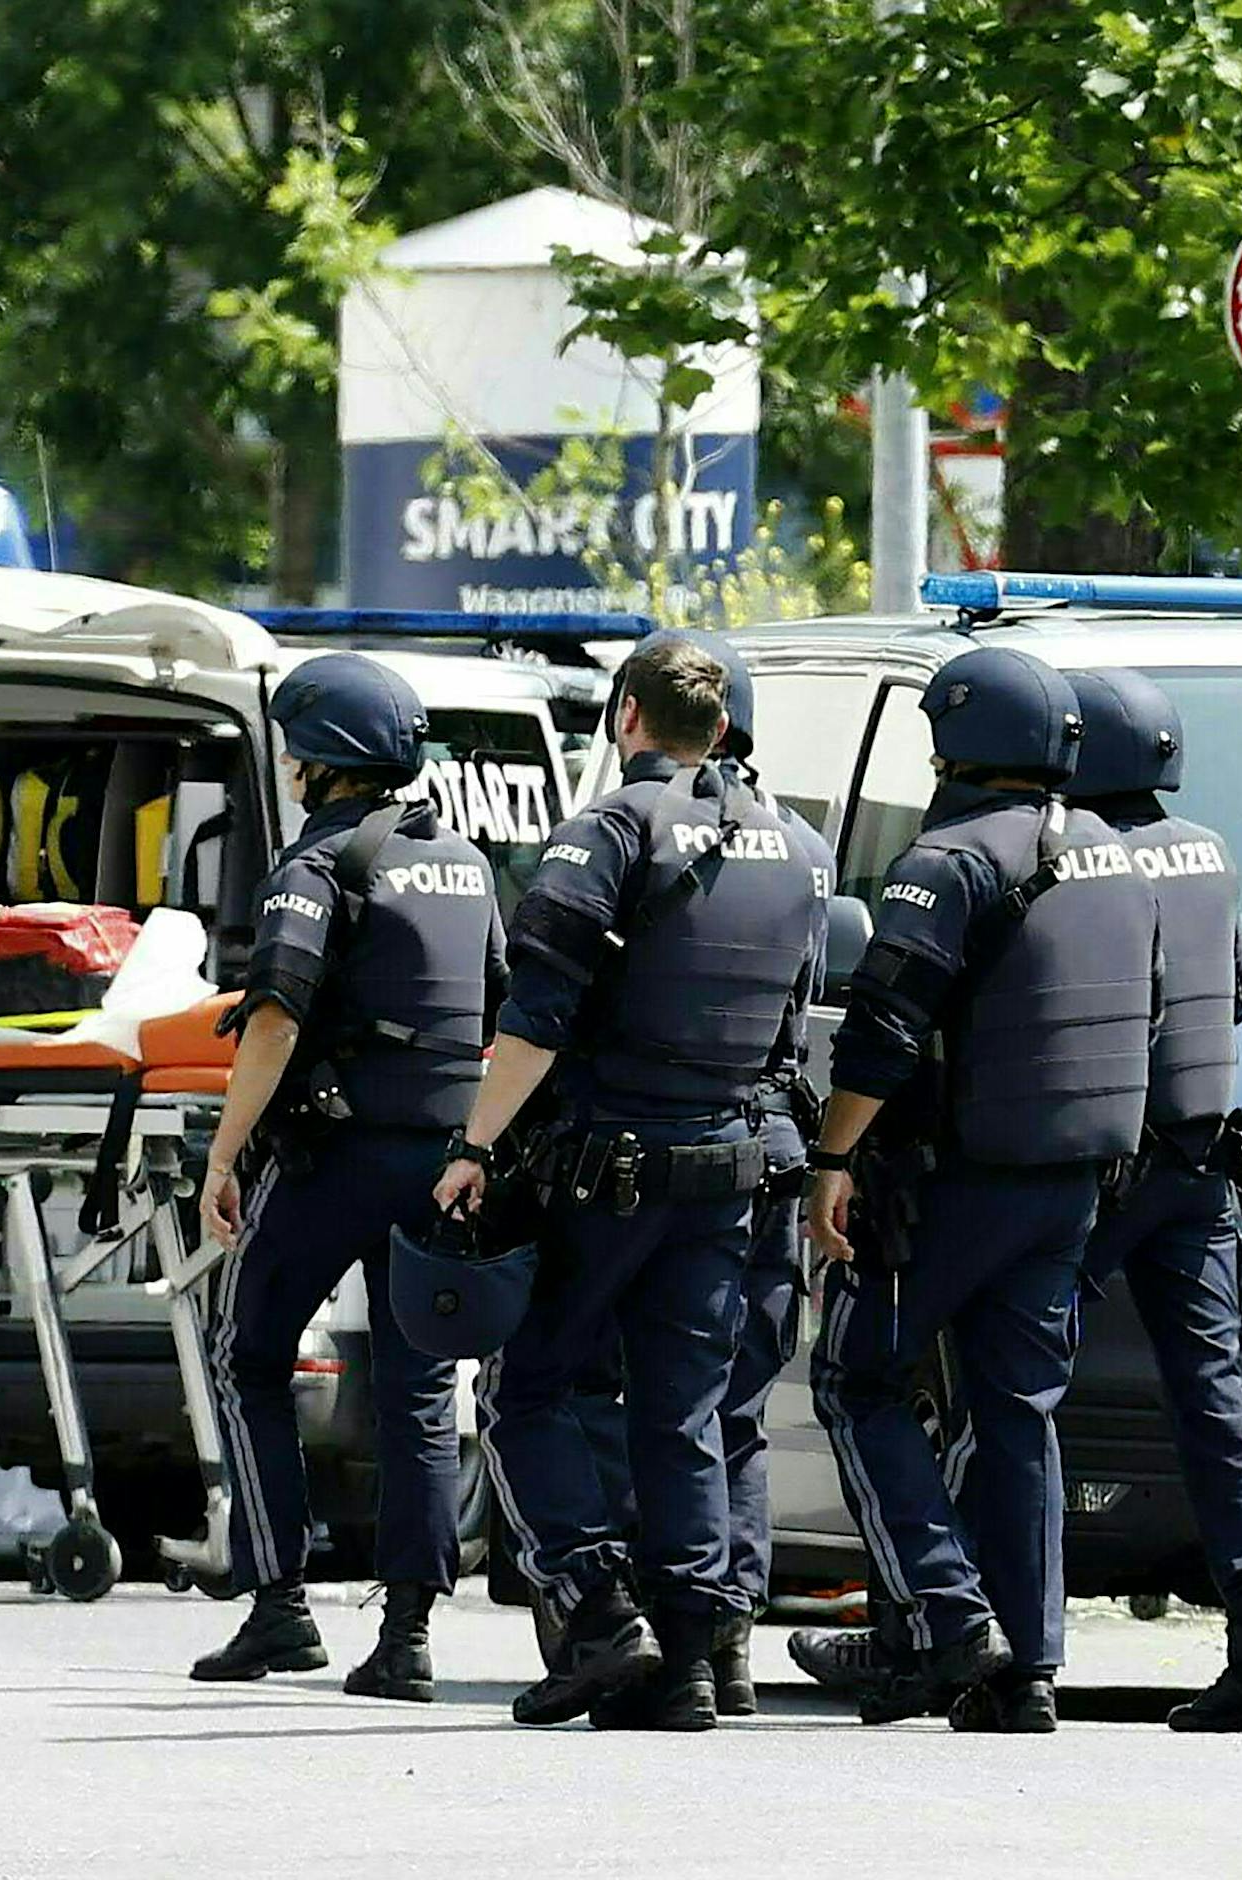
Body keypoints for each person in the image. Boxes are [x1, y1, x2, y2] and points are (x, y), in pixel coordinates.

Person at [433, 633, 821, 1732]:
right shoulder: (796, 843)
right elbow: (793, 1016)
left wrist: (471, 1148)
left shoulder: (609, 827)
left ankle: (597, 1611)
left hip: (608, 1166)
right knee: (685, 1409)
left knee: (531, 1386)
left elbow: (534, 1016)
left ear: (624, 719)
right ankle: (693, 1657)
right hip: (730, 1166)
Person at [803, 645, 1161, 1733]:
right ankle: (1028, 1668)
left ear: (959, 739)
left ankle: (948, 1614)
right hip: (1074, 1182)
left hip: (951, 1181)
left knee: (854, 1377)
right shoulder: (1115, 854)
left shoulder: (947, 860)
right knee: (1015, 1412)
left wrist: (829, 1161)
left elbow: (883, 1028)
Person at [191, 652, 505, 1700]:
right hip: (445, 1158)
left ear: (318, 760)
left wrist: (225, 1154)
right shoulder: (463, 861)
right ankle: (407, 1633)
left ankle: (278, 1603)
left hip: (339, 1154)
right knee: (416, 1387)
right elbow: (500, 1005)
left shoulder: (316, 864)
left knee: (246, 1351)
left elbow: (275, 1014)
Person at [564, 631, 837, 1717]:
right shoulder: (804, 849)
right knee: (729, 1402)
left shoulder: (628, 833)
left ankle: (652, 1621)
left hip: (655, 1146)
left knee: (633, 1395)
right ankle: (723, 1638)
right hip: (765, 1151)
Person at [1052, 667, 1242, 1731]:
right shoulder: (1210, 852)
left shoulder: (1085, 857)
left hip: (1101, 1166)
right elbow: (1232, 988)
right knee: (1211, 1397)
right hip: (1203, 1168)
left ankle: (954, 1627)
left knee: (995, 1371)